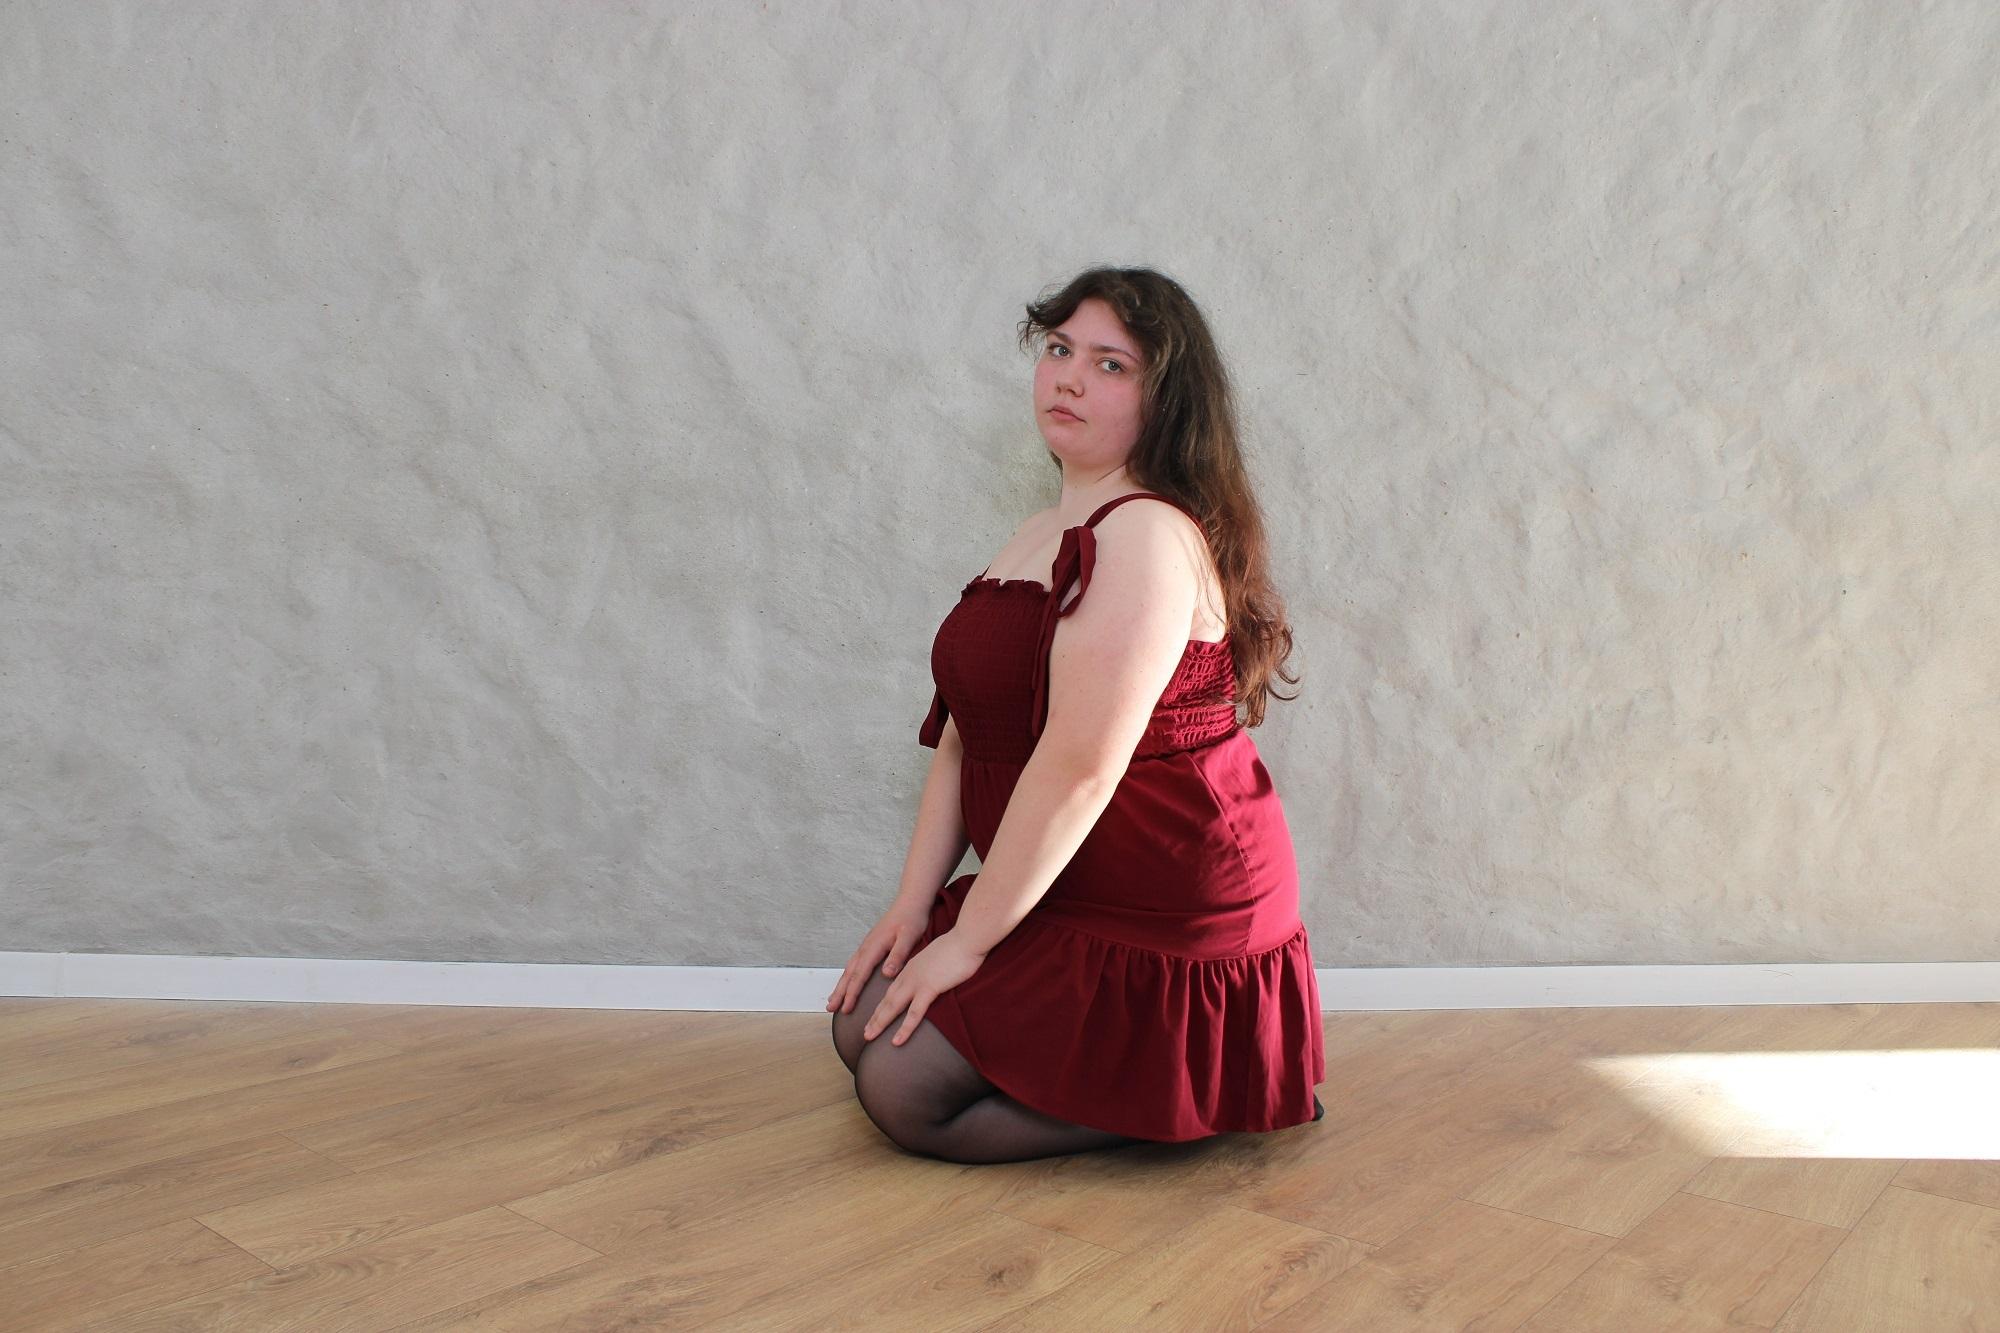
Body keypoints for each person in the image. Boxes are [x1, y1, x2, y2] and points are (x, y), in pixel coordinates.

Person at [827, 265, 1326, 1164]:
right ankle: (1153, 1080)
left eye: (1110, 364)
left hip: (1165, 907)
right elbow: (965, 736)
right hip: (1069, 886)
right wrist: (913, 907)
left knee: (902, 1090)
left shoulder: (1147, 534)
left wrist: (967, 943)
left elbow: (1080, 765)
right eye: (1058, 350)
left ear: (1166, 400)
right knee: (858, 1025)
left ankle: (1209, 1093)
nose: (1068, 378)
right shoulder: (1036, 531)